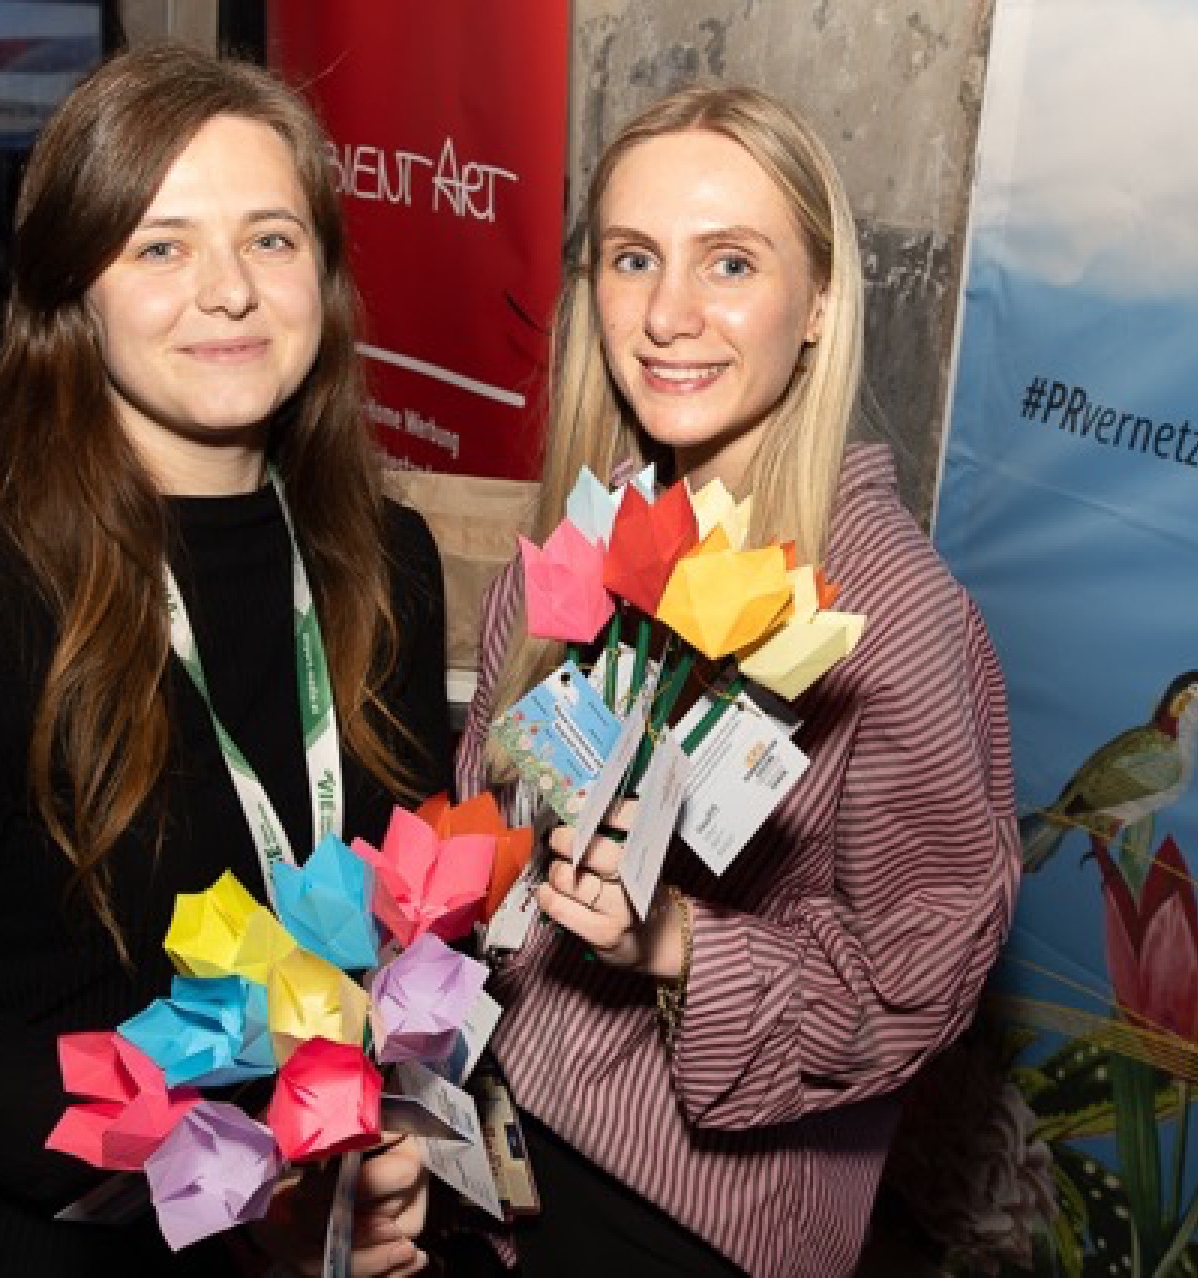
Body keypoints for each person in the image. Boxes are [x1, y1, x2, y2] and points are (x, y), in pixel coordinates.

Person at [0, 44, 449, 1277]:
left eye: (271, 239)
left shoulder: (387, 566)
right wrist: (231, 1176)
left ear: (324, 275)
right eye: (160, 248)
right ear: (72, 293)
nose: (230, 292)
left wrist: (386, 1135)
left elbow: (403, 918)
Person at [452, 86, 1021, 1277]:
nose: (668, 315)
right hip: (486, 1135)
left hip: (684, 1214)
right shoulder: (590, 529)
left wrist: (676, 944)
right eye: (634, 258)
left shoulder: (895, 619)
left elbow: (916, 983)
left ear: (819, 304)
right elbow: (494, 820)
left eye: (729, 262)